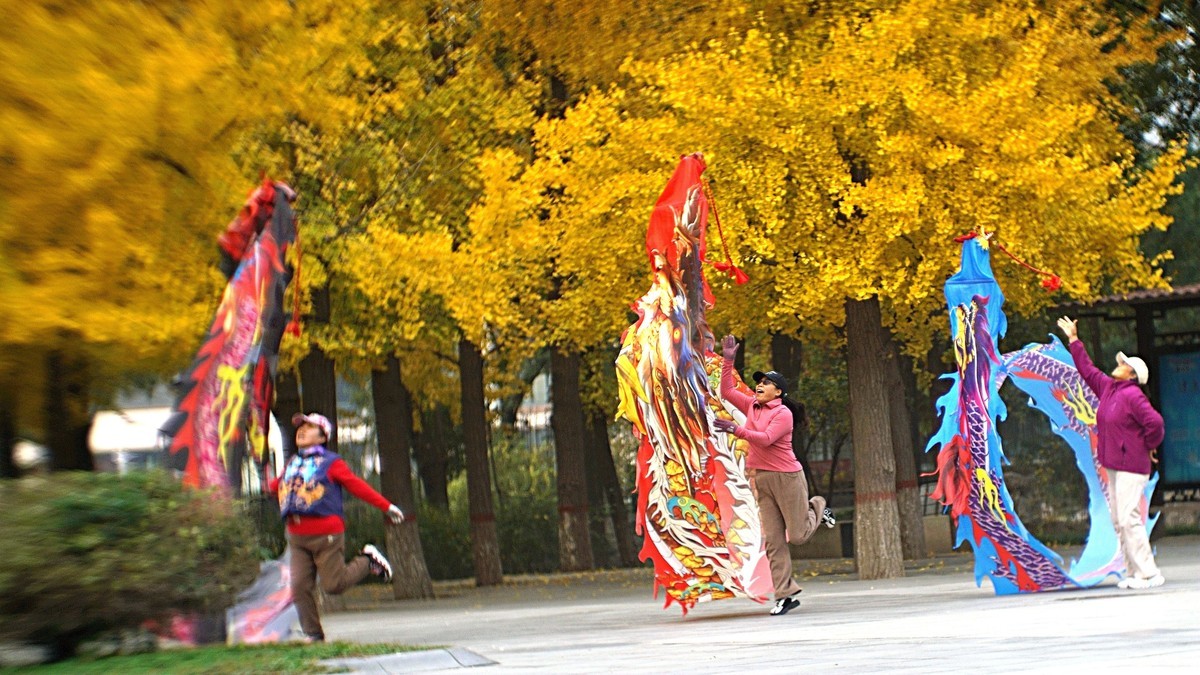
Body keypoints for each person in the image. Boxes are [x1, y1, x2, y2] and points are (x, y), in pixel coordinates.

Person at [713, 335, 836, 616]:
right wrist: (728, 359)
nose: (760, 385)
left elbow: (766, 439)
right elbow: (727, 391)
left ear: (778, 392)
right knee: (773, 541)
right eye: (759, 381)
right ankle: (785, 594)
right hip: (762, 479)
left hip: (787, 477)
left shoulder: (782, 414)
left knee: (799, 535)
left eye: (767, 382)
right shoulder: (752, 406)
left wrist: (736, 430)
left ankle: (817, 505)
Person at [270, 412, 406, 641]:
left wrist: (386, 506)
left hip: (326, 535)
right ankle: (314, 635)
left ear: (323, 437)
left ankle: (368, 561)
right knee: (299, 587)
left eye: (309, 427)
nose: (302, 430)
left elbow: (356, 485)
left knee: (334, 585)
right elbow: (278, 487)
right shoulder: (293, 464)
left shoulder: (331, 463)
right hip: (297, 537)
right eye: (300, 426)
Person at [1057, 317, 1166, 589]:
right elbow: (1087, 369)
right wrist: (1073, 339)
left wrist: (1149, 445)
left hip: (1132, 465)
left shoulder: (1133, 395)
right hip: (1115, 464)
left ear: (1131, 374)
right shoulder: (1109, 389)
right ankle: (1132, 572)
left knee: (1129, 518)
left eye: (1123, 364)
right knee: (1119, 520)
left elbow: (1155, 424)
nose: (1118, 365)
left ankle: (1149, 573)